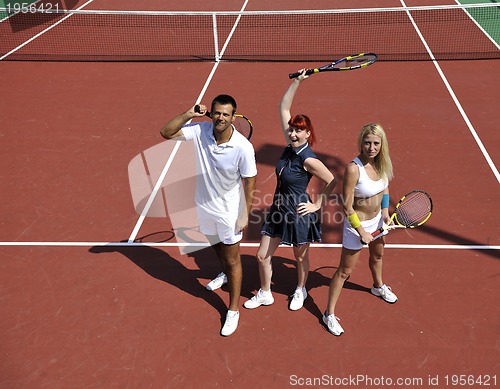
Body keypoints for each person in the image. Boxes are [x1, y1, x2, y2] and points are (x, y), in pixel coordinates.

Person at [160, 94, 257, 336]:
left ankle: (233, 310)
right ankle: (223, 273)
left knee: (234, 259)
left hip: (229, 212)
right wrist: (188, 114)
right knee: (216, 246)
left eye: (226, 114)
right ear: (210, 114)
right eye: (217, 113)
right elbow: (166, 132)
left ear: (234, 116)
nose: (220, 117)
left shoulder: (243, 147)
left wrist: (245, 213)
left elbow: (250, 182)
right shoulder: (200, 130)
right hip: (204, 206)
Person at [243, 70, 336, 311]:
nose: (293, 133)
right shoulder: (290, 145)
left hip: (298, 212)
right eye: (292, 129)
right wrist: (297, 82)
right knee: (262, 256)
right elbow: (284, 107)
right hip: (277, 209)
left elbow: (331, 179)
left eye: (298, 130)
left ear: (308, 133)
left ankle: (300, 289)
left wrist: (316, 205)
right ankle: (265, 293)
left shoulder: (308, 159)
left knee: (300, 257)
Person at [323, 123, 397, 336]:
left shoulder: (382, 164)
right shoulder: (353, 168)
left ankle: (377, 286)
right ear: (361, 143)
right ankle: (329, 314)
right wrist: (361, 231)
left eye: (375, 143)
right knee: (344, 271)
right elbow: (346, 206)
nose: (371, 147)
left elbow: (385, 188)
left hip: (377, 221)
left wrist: (384, 211)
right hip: (357, 225)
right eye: (367, 143)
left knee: (378, 256)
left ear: (381, 144)